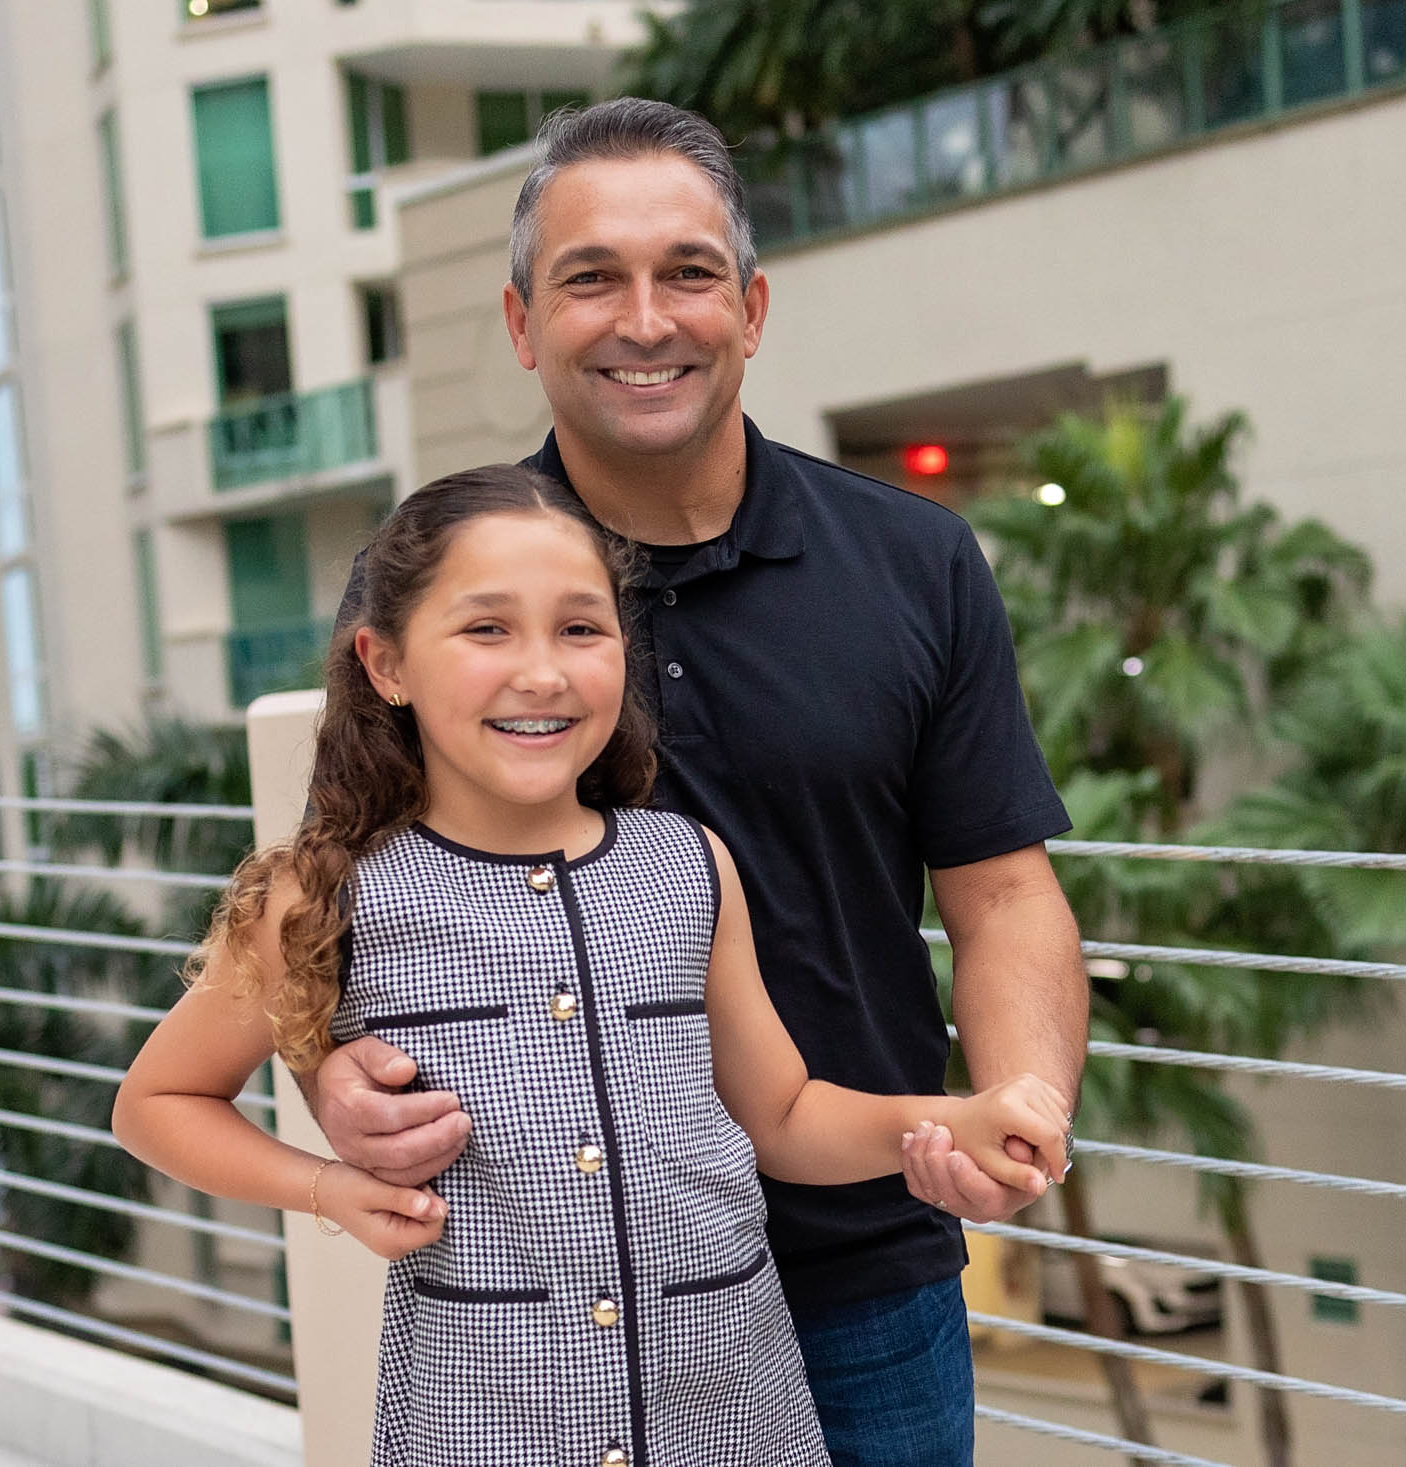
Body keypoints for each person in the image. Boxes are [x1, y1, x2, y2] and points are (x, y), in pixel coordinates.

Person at [310, 99, 1089, 1466]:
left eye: (687, 272)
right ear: (519, 321)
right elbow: (326, 911)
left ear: (753, 305)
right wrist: (325, 1071)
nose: (645, 319)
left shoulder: (917, 564)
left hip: (869, 1269)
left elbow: (1007, 891)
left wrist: (1013, 1107)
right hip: (541, 1308)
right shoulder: (441, 587)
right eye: (590, 278)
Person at [111, 465, 1071, 1467]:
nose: (542, 672)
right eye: (486, 630)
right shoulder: (324, 894)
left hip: (737, 1420)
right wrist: (325, 1190)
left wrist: (950, 1121)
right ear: (384, 663)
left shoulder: (688, 866)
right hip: (485, 1428)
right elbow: (159, 1102)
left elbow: (782, 1117)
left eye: (580, 628)